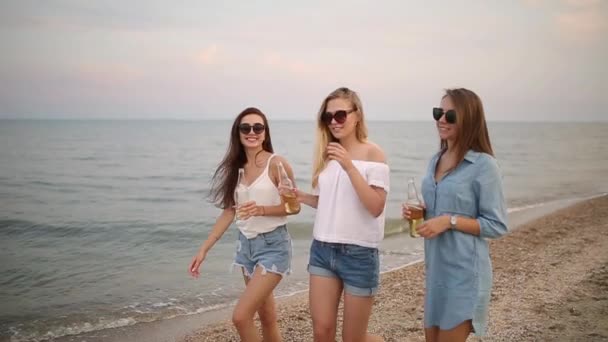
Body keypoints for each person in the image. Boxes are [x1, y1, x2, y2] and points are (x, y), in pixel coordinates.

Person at [402, 88, 508, 342]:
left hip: (464, 274)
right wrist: (421, 212)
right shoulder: (435, 160)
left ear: (468, 119)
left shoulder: (484, 165)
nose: (441, 119)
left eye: (450, 115)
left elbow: (497, 225)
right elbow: (439, 207)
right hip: (435, 270)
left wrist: (448, 221)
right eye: (438, 113)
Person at [188, 107, 299, 342]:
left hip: (273, 245)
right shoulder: (235, 167)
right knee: (267, 317)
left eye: (258, 127)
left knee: (241, 317)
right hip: (246, 248)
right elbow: (230, 211)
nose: (252, 132)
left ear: (265, 132)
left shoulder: (276, 164)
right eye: (245, 127)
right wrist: (204, 249)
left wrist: (261, 209)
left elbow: (293, 206)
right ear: (237, 132)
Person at [296, 87, 389, 342]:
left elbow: (375, 206)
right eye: (328, 117)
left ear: (356, 115)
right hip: (323, 250)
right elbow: (331, 202)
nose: (334, 122)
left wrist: (348, 165)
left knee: (353, 339)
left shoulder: (373, 153)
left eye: (340, 115)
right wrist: (301, 196)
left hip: (359, 254)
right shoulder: (327, 155)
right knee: (322, 332)